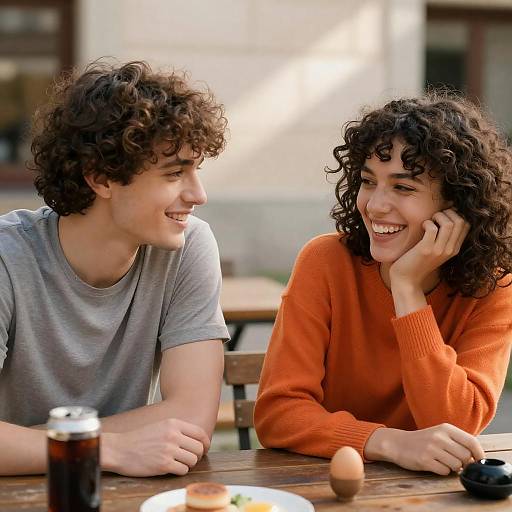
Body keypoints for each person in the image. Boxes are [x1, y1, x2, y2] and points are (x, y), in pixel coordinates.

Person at [254, 93, 512, 475]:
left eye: (403, 188)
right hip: (321, 485)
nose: (375, 205)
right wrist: (388, 442)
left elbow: (456, 422)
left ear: (459, 205)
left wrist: (407, 290)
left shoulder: (494, 287)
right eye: (368, 181)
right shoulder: (325, 261)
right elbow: (278, 413)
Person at [0, 61, 230, 477]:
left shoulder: (188, 245)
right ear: (102, 178)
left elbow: (192, 421)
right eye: (175, 173)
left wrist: (26, 444)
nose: (198, 194)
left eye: (196, 170)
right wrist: (104, 449)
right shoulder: (6, 257)